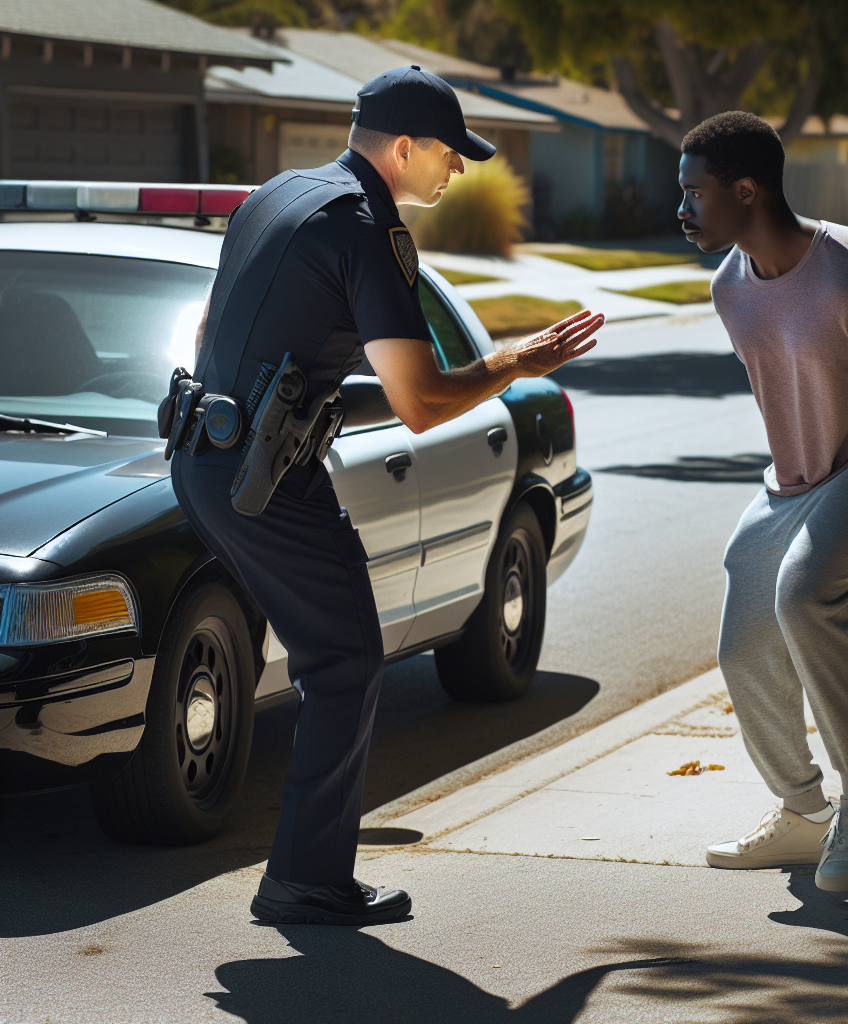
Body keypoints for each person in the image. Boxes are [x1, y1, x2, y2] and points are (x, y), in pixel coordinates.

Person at [169, 66, 604, 925]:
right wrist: (521, 360)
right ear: (404, 148)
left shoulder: (278, 195)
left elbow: (255, 335)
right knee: (346, 662)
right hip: (265, 483)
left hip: (207, 456)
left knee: (325, 651)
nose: (458, 170)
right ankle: (303, 880)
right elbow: (421, 401)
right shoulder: (370, 230)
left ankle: (303, 867)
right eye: (450, 153)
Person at [677, 112, 848, 892]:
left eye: (695, 194)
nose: (682, 210)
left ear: (747, 190)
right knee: (744, 641)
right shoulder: (730, 286)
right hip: (797, 479)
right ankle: (803, 812)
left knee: (803, 601)